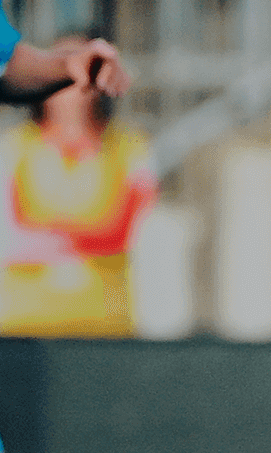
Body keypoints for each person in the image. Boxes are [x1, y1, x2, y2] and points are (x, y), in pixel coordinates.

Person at [0, 35, 157, 337]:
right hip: (23, 327)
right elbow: (9, 239)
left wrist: (46, 240)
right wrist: (82, 239)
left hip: (106, 327)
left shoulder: (130, 149)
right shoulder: (12, 149)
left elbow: (124, 234)